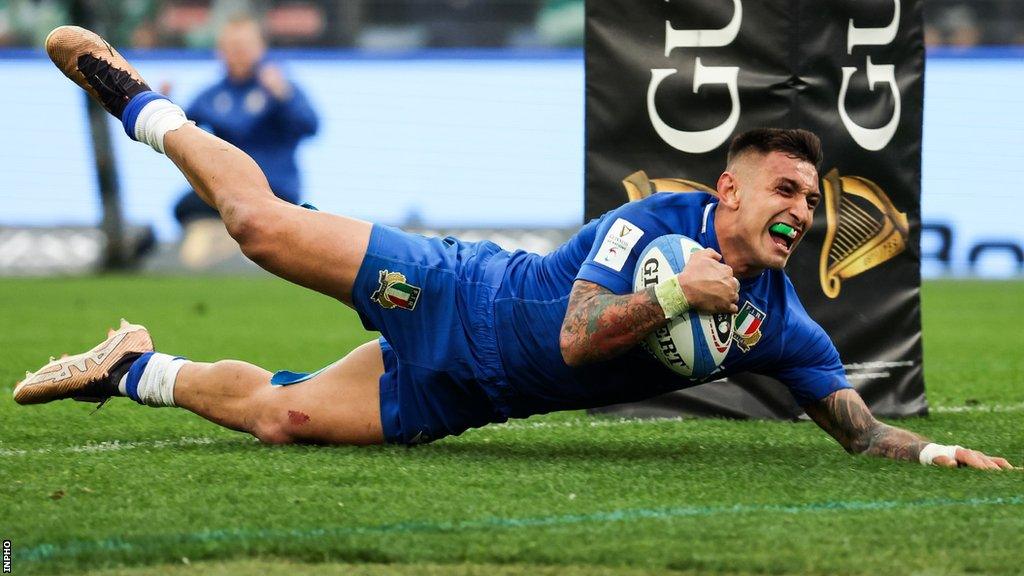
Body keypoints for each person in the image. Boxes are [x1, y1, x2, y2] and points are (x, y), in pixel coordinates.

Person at [17, 25, 1012, 472]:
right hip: (451, 295)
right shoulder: (652, 228)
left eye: (811, 197)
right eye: (783, 189)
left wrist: (924, 449)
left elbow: (852, 428)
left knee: (283, 419)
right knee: (258, 226)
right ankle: (139, 102)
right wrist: (678, 295)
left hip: (468, 397)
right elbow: (582, 340)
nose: (801, 208)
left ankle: (131, 366)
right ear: (731, 191)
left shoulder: (778, 324)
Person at [172, 15, 318, 265]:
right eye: (231, 47)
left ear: (260, 48)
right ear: (220, 51)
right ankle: (220, 246)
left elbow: (310, 126)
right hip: (227, 188)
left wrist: (284, 96)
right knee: (183, 207)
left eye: (244, 47)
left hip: (274, 189)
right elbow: (182, 129)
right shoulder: (214, 94)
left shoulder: (279, 88)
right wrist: (166, 103)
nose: (238, 54)